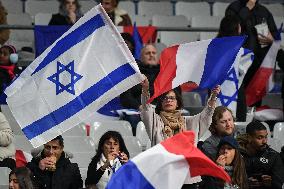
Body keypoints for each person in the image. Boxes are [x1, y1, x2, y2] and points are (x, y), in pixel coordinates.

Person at [225, 0, 278, 106]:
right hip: (239, 61)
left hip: (259, 62)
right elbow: (230, 29)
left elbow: (275, 35)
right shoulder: (234, 8)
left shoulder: (264, 11)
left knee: (255, 98)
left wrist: (271, 39)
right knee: (238, 97)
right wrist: (246, 9)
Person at [120, 44, 160, 135]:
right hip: (138, 112)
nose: (151, 55)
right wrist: (139, 106)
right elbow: (125, 97)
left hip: (160, 110)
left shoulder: (164, 73)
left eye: (154, 53)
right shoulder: (133, 74)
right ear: (141, 57)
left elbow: (174, 94)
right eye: (148, 53)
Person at [237, 120, 284, 189]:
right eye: (260, 138)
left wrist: (270, 184)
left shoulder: (274, 156)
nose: (264, 141)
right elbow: (229, 179)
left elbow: (279, 185)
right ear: (249, 137)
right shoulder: (236, 153)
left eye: (265, 137)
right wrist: (245, 183)